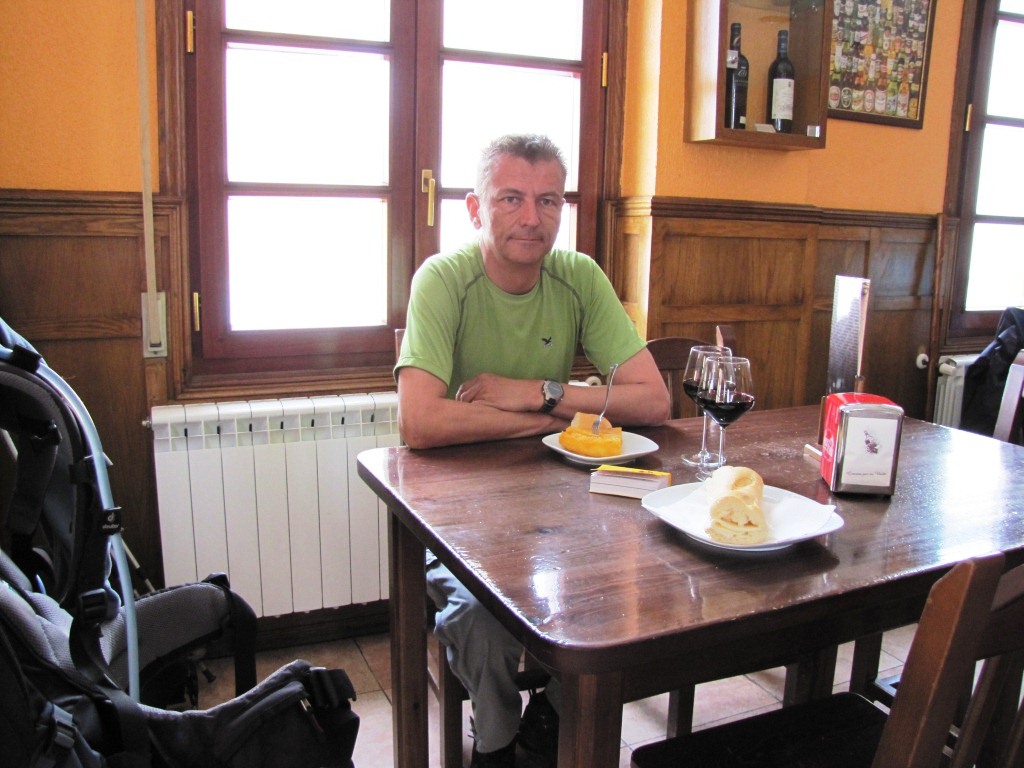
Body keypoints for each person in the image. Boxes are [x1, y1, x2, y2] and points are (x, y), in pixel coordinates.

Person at [395, 134, 671, 767]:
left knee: (623, 590)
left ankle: (553, 717)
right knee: (482, 621)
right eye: (511, 198)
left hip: (562, 512)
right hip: (457, 517)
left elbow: (653, 401)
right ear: (475, 209)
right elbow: (420, 422)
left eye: (548, 201)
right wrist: (542, 421)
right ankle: (496, 744)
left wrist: (535, 394)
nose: (531, 217)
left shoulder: (579, 276)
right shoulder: (443, 279)